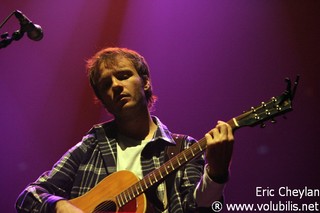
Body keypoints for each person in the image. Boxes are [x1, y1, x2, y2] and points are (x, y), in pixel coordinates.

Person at [15, 47, 234, 213]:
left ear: (145, 82)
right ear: (103, 101)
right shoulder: (92, 145)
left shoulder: (184, 148)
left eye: (123, 76)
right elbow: (29, 196)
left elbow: (200, 209)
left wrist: (216, 173)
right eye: (105, 85)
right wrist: (63, 207)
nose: (116, 86)